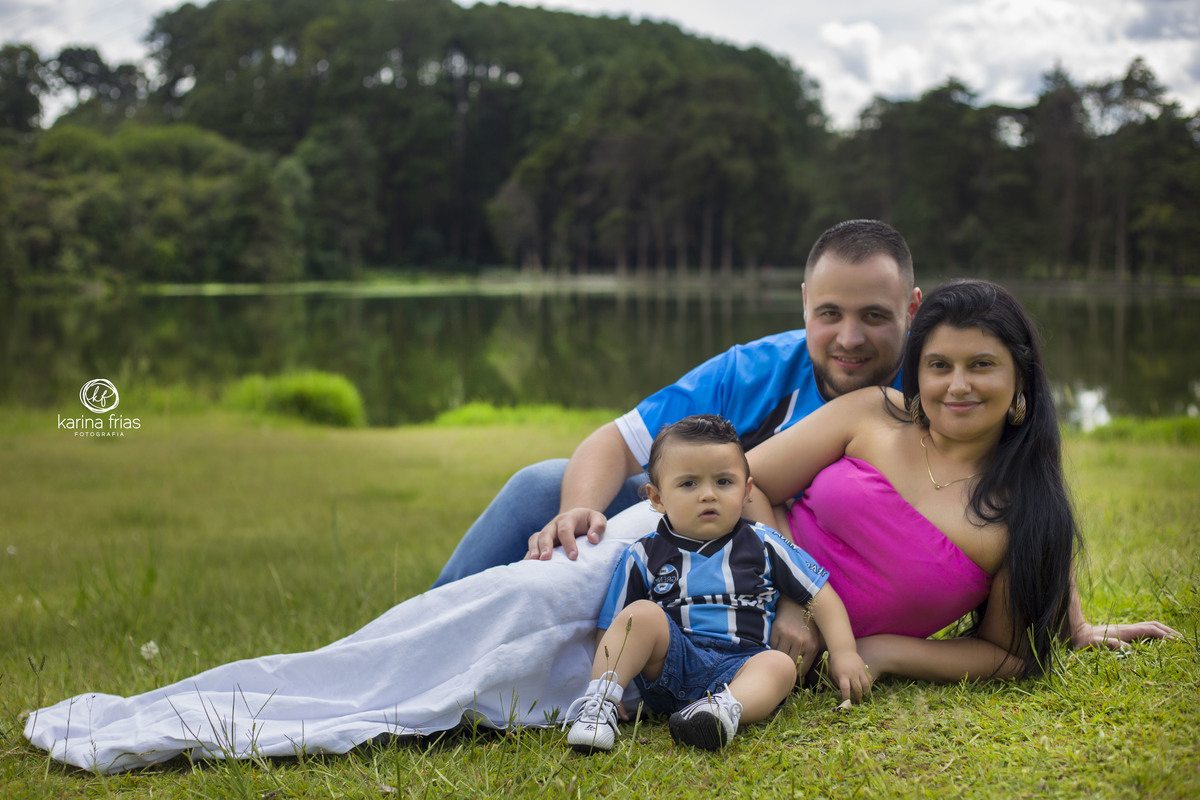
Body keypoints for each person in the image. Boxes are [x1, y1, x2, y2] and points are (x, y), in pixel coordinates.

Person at [25, 280, 1179, 774]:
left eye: (984, 367)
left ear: (1025, 384)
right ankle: (202, 715)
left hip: (752, 637)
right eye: (944, 364)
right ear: (917, 370)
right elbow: (748, 483)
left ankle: (308, 715)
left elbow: (998, 651)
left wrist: (859, 645)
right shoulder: (869, 413)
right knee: (504, 611)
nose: (958, 383)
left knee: (503, 692)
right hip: (684, 555)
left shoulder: (1024, 514)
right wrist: (784, 569)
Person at [433, 218, 921, 587]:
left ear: (912, 309)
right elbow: (618, 442)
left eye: (875, 316)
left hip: (794, 579)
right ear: (804, 302)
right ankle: (413, 634)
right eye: (829, 313)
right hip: (699, 541)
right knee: (539, 486)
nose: (849, 338)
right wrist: (578, 509)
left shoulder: (940, 392)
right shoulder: (756, 369)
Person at [564, 416, 868, 754]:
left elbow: (820, 594)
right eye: (689, 484)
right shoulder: (644, 554)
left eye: (724, 482)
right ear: (657, 497)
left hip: (742, 663)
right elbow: (612, 627)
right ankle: (599, 705)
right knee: (641, 614)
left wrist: (845, 653)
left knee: (779, 665)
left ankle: (721, 711)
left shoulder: (764, 543)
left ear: (747, 491)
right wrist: (608, 678)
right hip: (671, 662)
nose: (708, 495)